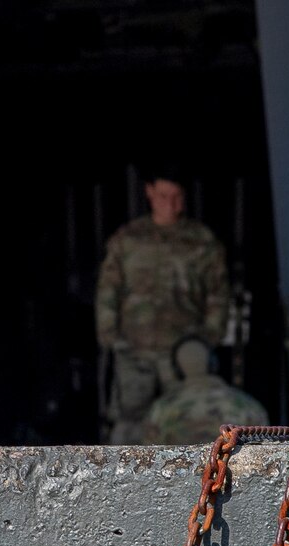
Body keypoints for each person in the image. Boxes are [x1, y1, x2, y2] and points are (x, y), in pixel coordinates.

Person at [95, 166, 232, 444]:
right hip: (134, 352)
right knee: (129, 426)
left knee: (186, 425)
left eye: (176, 196)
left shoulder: (201, 241)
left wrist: (205, 341)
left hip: (183, 355)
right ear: (148, 192)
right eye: (163, 195)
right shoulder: (128, 240)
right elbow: (108, 291)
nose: (170, 204)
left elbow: (219, 297)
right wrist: (111, 337)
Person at [143, 335, 270, 448]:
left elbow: (149, 456)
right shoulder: (247, 405)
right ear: (213, 363)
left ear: (176, 370)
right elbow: (264, 450)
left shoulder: (160, 410)